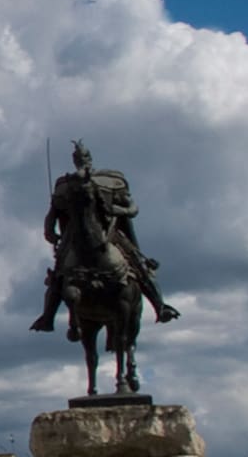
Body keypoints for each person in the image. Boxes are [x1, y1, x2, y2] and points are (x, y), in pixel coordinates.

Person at [32, 141, 179, 336]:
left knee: (138, 264)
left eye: (84, 158)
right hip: (74, 235)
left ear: (90, 159)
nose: (81, 161)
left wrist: (117, 209)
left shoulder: (112, 181)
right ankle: (48, 316)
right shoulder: (65, 185)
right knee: (59, 273)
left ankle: (160, 306)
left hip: (109, 232)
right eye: (77, 159)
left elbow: (132, 208)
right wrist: (49, 231)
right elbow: (53, 212)